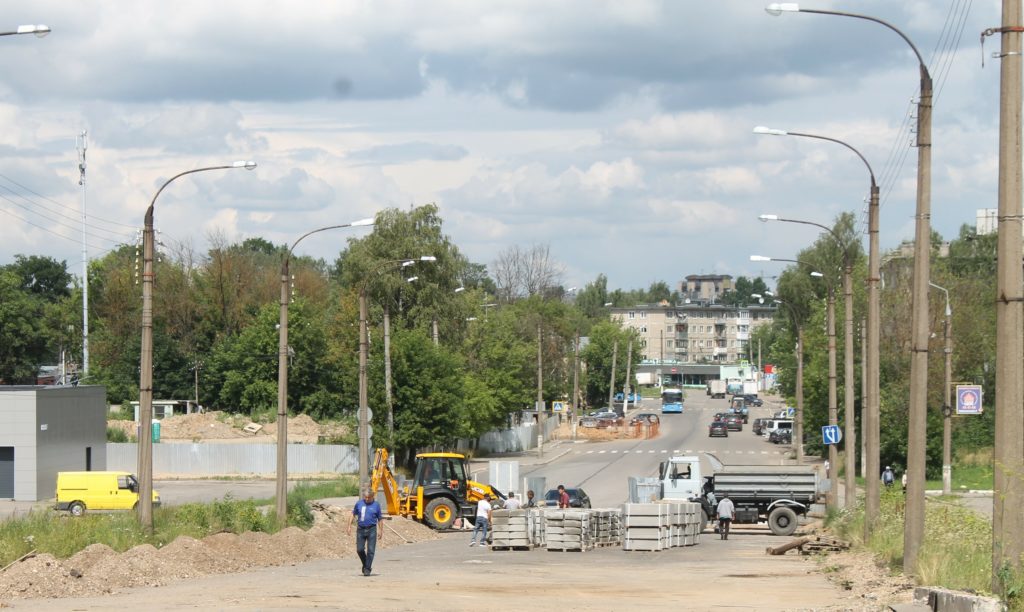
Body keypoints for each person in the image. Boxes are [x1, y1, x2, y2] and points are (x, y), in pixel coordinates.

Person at [347, 488, 383, 576]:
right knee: (359, 549)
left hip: (372, 529)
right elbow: (353, 514)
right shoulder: (359, 503)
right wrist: (349, 526)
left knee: (371, 550)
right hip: (360, 529)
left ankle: (367, 569)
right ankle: (366, 564)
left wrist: (381, 530)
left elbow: (380, 519)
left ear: (372, 496)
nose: (367, 499)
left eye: (369, 497)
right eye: (365, 497)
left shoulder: (376, 505)